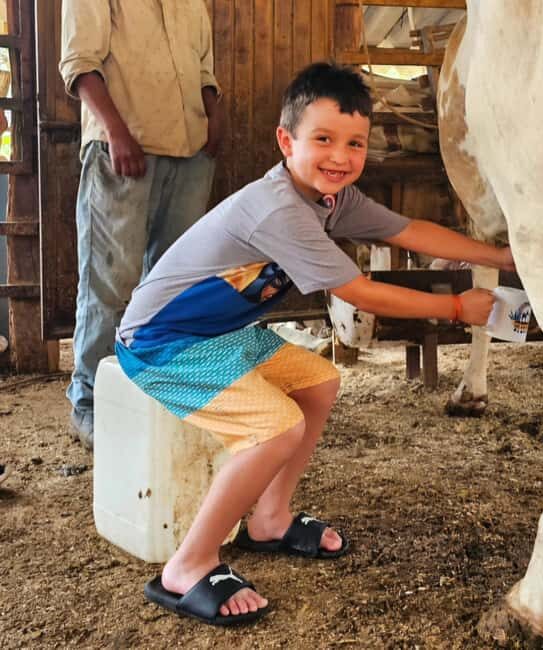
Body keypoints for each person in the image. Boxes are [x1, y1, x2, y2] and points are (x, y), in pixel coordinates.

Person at [113, 62, 514, 626]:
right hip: (161, 343)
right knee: (275, 427)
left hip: (219, 335)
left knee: (319, 382)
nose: (340, 157)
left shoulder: (332, 200)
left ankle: (269, 520)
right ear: (286, 141)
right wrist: (454, 308)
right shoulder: (279, 208)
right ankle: (188, 565)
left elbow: (406, 231)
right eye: (323, 139)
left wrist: (498, 256)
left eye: (355, 143)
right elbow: (359, 292)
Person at [59, 0, 224, 449]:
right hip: (124, 149)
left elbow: (203, 68)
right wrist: (116, 132)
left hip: (190, 152)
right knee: (110, 283)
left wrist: (214, 115)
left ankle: (157, 393)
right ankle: (89, 403)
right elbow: (80, 64)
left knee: (173, 286)